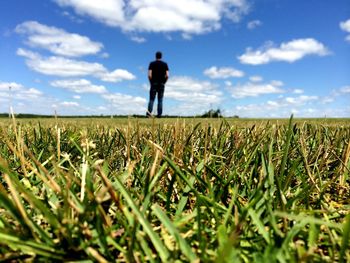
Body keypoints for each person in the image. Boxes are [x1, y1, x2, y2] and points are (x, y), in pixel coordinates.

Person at [147, 51, 169, 118]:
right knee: (160, 100)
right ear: (161, 56)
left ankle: (149, 114)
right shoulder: (165, 64)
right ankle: (159, 115)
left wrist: (151, 82)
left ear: (155, 56)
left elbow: (149, 75)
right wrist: (164, 82)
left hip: (154, 83)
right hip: (161, 84)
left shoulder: (152, 64)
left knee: (151, 99)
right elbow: (167, 75)